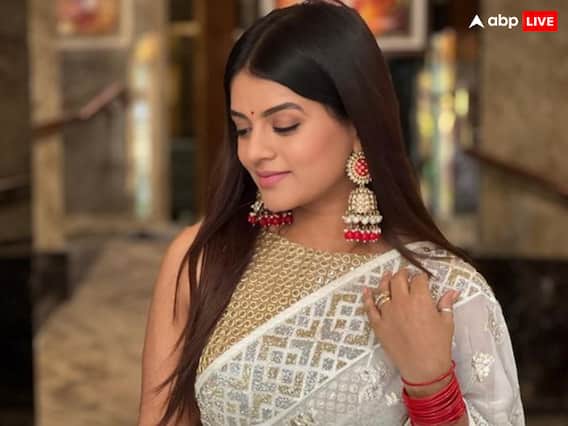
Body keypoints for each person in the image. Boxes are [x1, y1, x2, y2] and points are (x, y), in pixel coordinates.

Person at [138, 1, 525, 425]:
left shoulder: (444, 290)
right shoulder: (203, 258)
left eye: (284, 125)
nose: (253, 151)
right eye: (242, 129)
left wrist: (430, 385)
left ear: (358, 125)